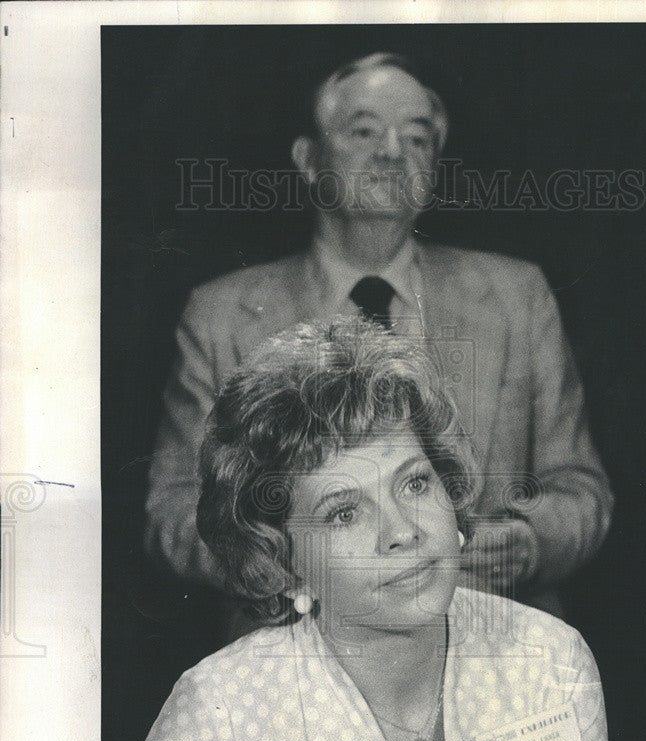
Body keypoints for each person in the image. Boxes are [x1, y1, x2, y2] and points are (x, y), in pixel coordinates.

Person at [103, 319, 621, 741]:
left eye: (413, 483)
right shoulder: (220, 707)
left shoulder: (547, 664)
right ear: (283, 560)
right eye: (344, 512)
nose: (403, 532)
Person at [144, 52, 613, 616]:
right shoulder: (221, 315)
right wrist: (284, 560)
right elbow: (172, 510)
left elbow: (580, 487)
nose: (392, 152)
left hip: (489, 648)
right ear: (309, 158)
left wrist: (532, 543)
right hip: (294, 663)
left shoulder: (517, 296)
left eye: (417, 139)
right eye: (363, 130)